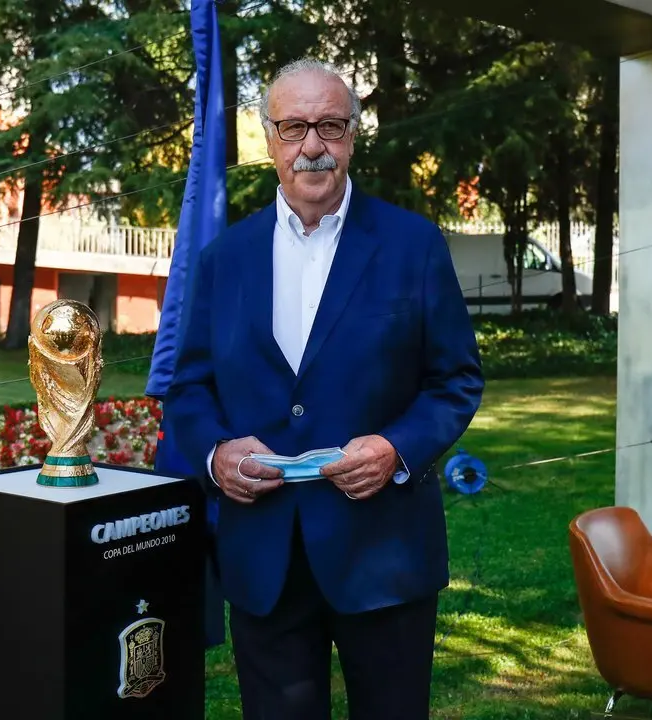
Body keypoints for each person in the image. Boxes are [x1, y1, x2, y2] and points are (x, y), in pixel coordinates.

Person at [163, 58, 484, 719]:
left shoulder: (413, 245)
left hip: (383, 556)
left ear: (353, 136)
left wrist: (397, 448)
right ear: (270, 136)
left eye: (331, 126)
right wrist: (215, 453)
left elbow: (455, 380)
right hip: (264, 560)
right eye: (295, 127)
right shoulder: (225, 259)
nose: (313, 145)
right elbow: (189, 386)